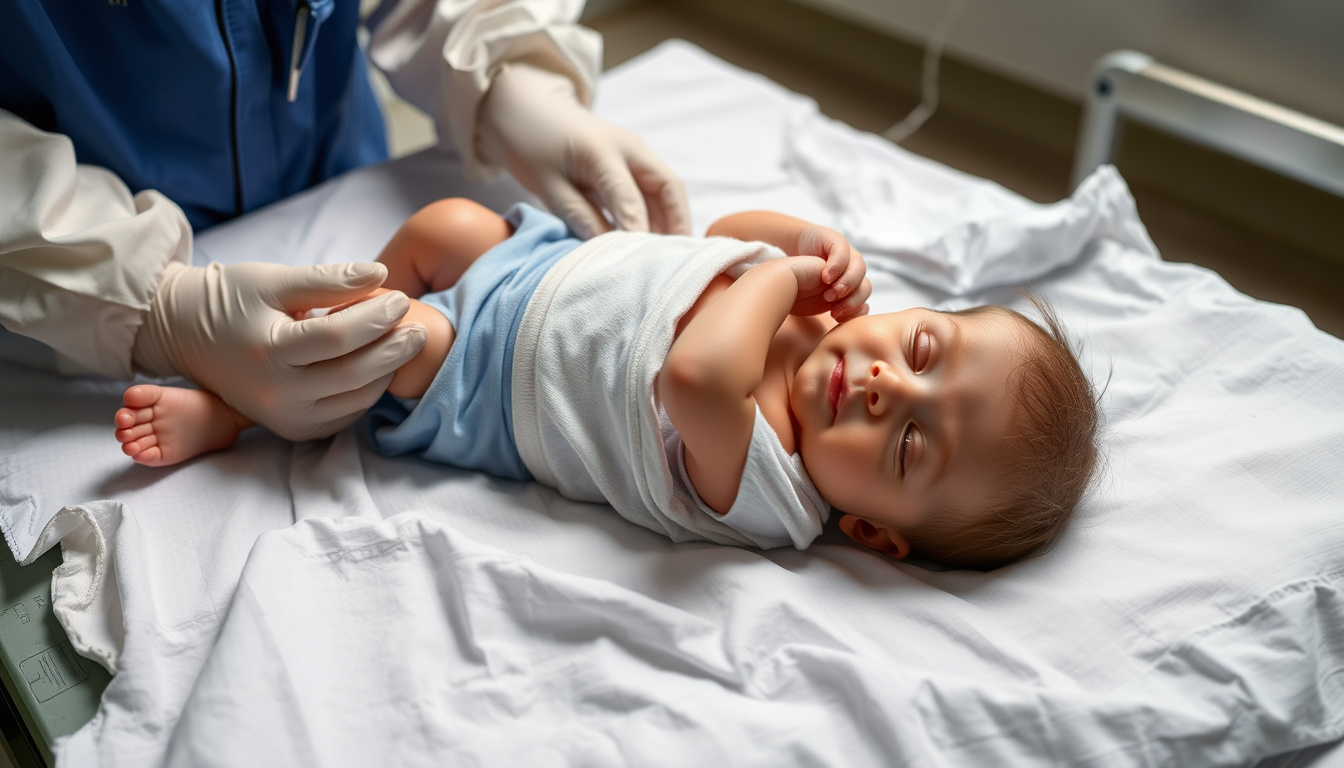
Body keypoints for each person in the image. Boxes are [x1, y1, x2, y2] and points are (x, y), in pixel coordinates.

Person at [113, 199, 1099, 570]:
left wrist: (781, 277)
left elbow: (697, 376)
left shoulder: (778, 488)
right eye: (924, 350)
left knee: (390, 334)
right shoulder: (820, 319)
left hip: (487, 378)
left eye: (912, 445)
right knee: (442, 227)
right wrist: (802, 240)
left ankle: (238, 408)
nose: (888, 386)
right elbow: (720, 239)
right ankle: (292, 360)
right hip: (546, 267)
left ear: (875, 531)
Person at [0, 0, 688, 443]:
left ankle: (229, 413)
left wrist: (511, 70)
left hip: (338, 175)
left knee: (385, 347)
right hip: (59, 255)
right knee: (395, 315)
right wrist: (163, 310)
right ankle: (227, 398)